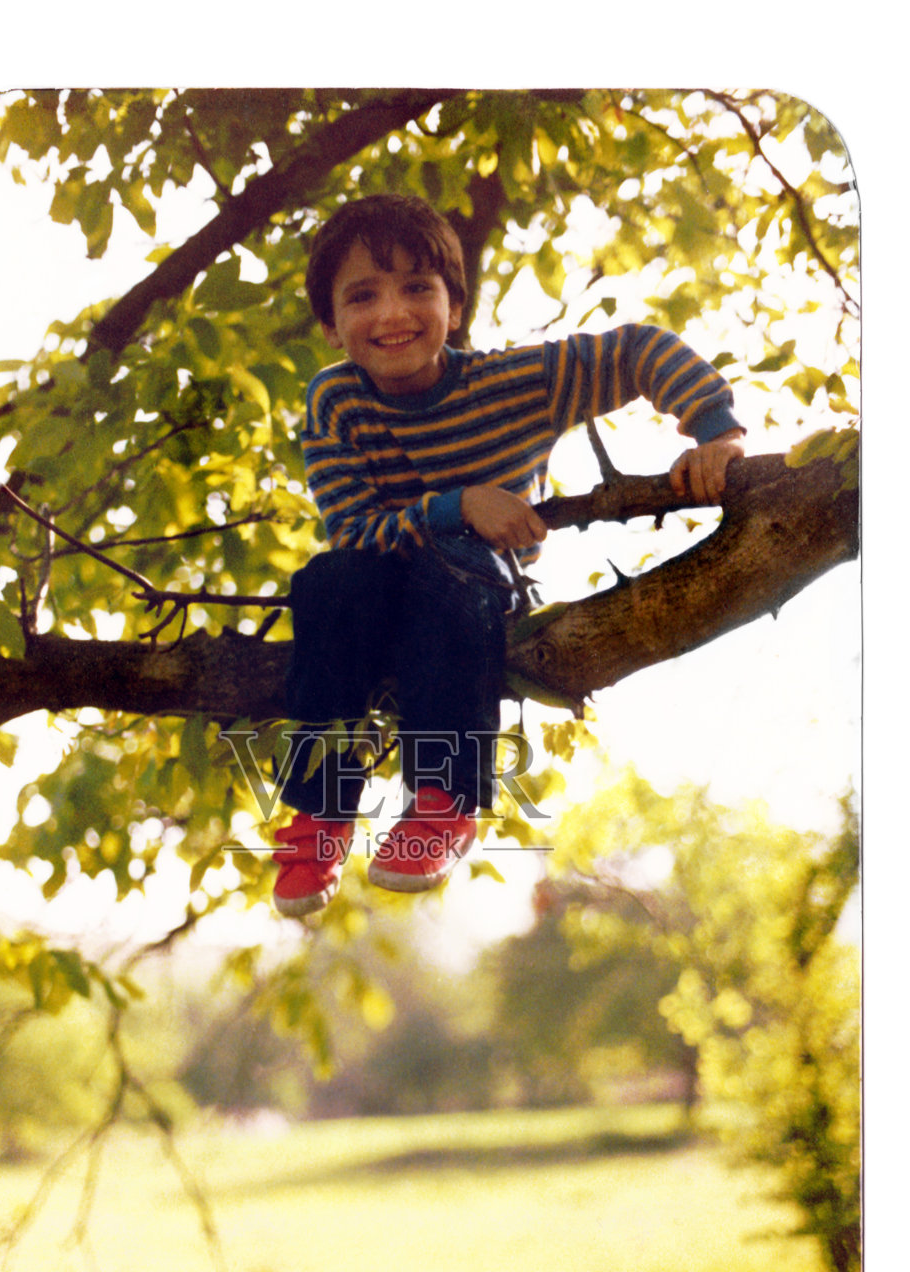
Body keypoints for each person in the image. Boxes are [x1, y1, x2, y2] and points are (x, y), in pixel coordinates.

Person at [270, 193, 744, 917]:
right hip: (373, 594)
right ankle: (321, 811)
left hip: (473, 591)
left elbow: (637, 349)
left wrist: (715, 430)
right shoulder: (335, 401)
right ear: (332, 327)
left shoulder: (516, 385)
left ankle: (443, 798)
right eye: (362, 296)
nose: (392, 313)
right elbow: (352, 528)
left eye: (416, 289)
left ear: (452, 308)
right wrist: (456, 502)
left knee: (453, 560)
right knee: (328, 578)